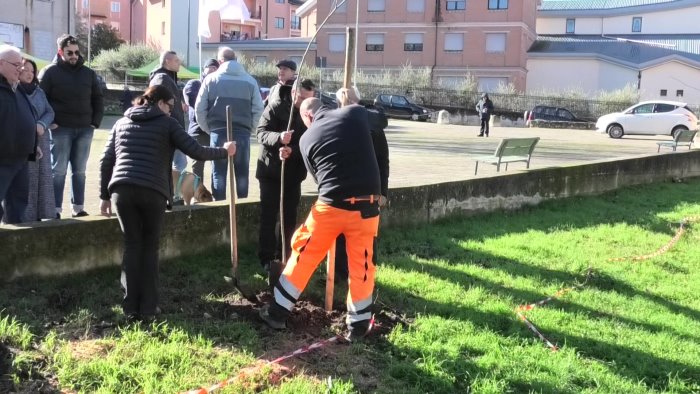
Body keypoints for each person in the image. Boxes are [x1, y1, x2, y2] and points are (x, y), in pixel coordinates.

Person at [98, 85, 237, 322]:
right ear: (160, 103)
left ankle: (130, 306)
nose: (171, 111)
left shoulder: (120, 123)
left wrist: (104, 196)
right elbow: (196, 151)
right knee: (150, 247)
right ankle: (149, 309)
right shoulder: (167, 124)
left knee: (132, 246)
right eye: (170, 106)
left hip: (121, 190)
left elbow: (105, 161)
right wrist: (225, 151)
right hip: (152, 190)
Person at [259, 98, 381, 341]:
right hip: (368, 205)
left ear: (308, 118)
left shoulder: (306, 139)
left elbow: (316, 177)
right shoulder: (355, 114)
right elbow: (381, 120)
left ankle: (277, 313)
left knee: (304, 254)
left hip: (331, 205)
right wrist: (353, 102)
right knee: (362, 264)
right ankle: (358, 326)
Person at [256, 78, 316, 285]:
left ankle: (286, 256)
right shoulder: (274, 107)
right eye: (301, 98)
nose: (306, 103)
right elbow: (261, 133)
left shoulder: (311, 113)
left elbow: (312, 142)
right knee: (269, 215)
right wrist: (279, 139)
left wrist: (295, 151)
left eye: (309, 99)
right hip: (271, 171)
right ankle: (266, 257)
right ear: (293, 94)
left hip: (294, 174)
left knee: (290, 217)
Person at [39, 34, 104, 218]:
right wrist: (49, 122)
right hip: (60, 129)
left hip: (85, 129)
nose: (74, 56)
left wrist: (95, 122)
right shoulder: (49, 73)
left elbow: (98, 99)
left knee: (80, 171)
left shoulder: (88, 73)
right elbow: (40, 99)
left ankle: (78, 208)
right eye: (70, 53)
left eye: (76, 52)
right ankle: (55, 209)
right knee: (58, 171)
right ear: (60, 52)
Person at [333, 86, 390, 282]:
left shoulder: (373, 125)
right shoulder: (339, 123)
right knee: (340, 233)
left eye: (347, 104)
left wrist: (383, 192)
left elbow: (383, 161)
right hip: (343, 188)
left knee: (366, 236)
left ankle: (365, 276)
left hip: (368, 190)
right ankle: (340, 274)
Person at [195, 46, 263, 200]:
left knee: (218, 173)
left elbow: (199, 108)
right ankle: (242, 207)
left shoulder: (210, 79)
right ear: (236, 60)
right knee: (242, 173)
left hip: (217, 131)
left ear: (220, 61)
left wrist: (208, 129)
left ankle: (220, 208)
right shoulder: (250, 81)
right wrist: (250, 129)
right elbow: (259, 109)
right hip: (243, 132)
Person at [0, 44, 38, 224]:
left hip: (20, 158)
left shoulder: (17, 88)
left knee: (18, 208)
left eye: (21, 65)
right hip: (3, 159)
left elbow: (26, 117)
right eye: (16, 65)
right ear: (1, 64)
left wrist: (33, 143)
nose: (21, 69)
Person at [19, 58, 55, 222]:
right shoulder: (13, 91)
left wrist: (42, 124)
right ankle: (25, 216)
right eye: (25, 69)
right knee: (27, 180)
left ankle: (43, 214)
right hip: (23, 141)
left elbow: (50, 112)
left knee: (43, 180)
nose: (29, 73)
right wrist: (31, 126)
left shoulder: (39, 92)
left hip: (41, 141)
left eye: (32, 71)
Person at [149, 50, 188, 202]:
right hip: (169, 129)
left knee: (177, 163)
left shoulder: (168, 78)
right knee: (179, 163)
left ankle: (173, 195)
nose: (179, 63)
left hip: (173, 127)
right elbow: (155, 103)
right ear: (167, 62)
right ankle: (173, 196)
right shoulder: (161, 78)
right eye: (176, 61)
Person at [183, 58, 219, 182]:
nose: (214, 70)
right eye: (211, 67)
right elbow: (195, 103)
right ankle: (198, 195)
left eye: (216, 68)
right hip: (198, 132)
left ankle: (216, 198)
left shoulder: (219, 86)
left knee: (217, 166)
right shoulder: (193, 84)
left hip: (215, 131)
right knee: (197, 166)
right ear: (204, 69)